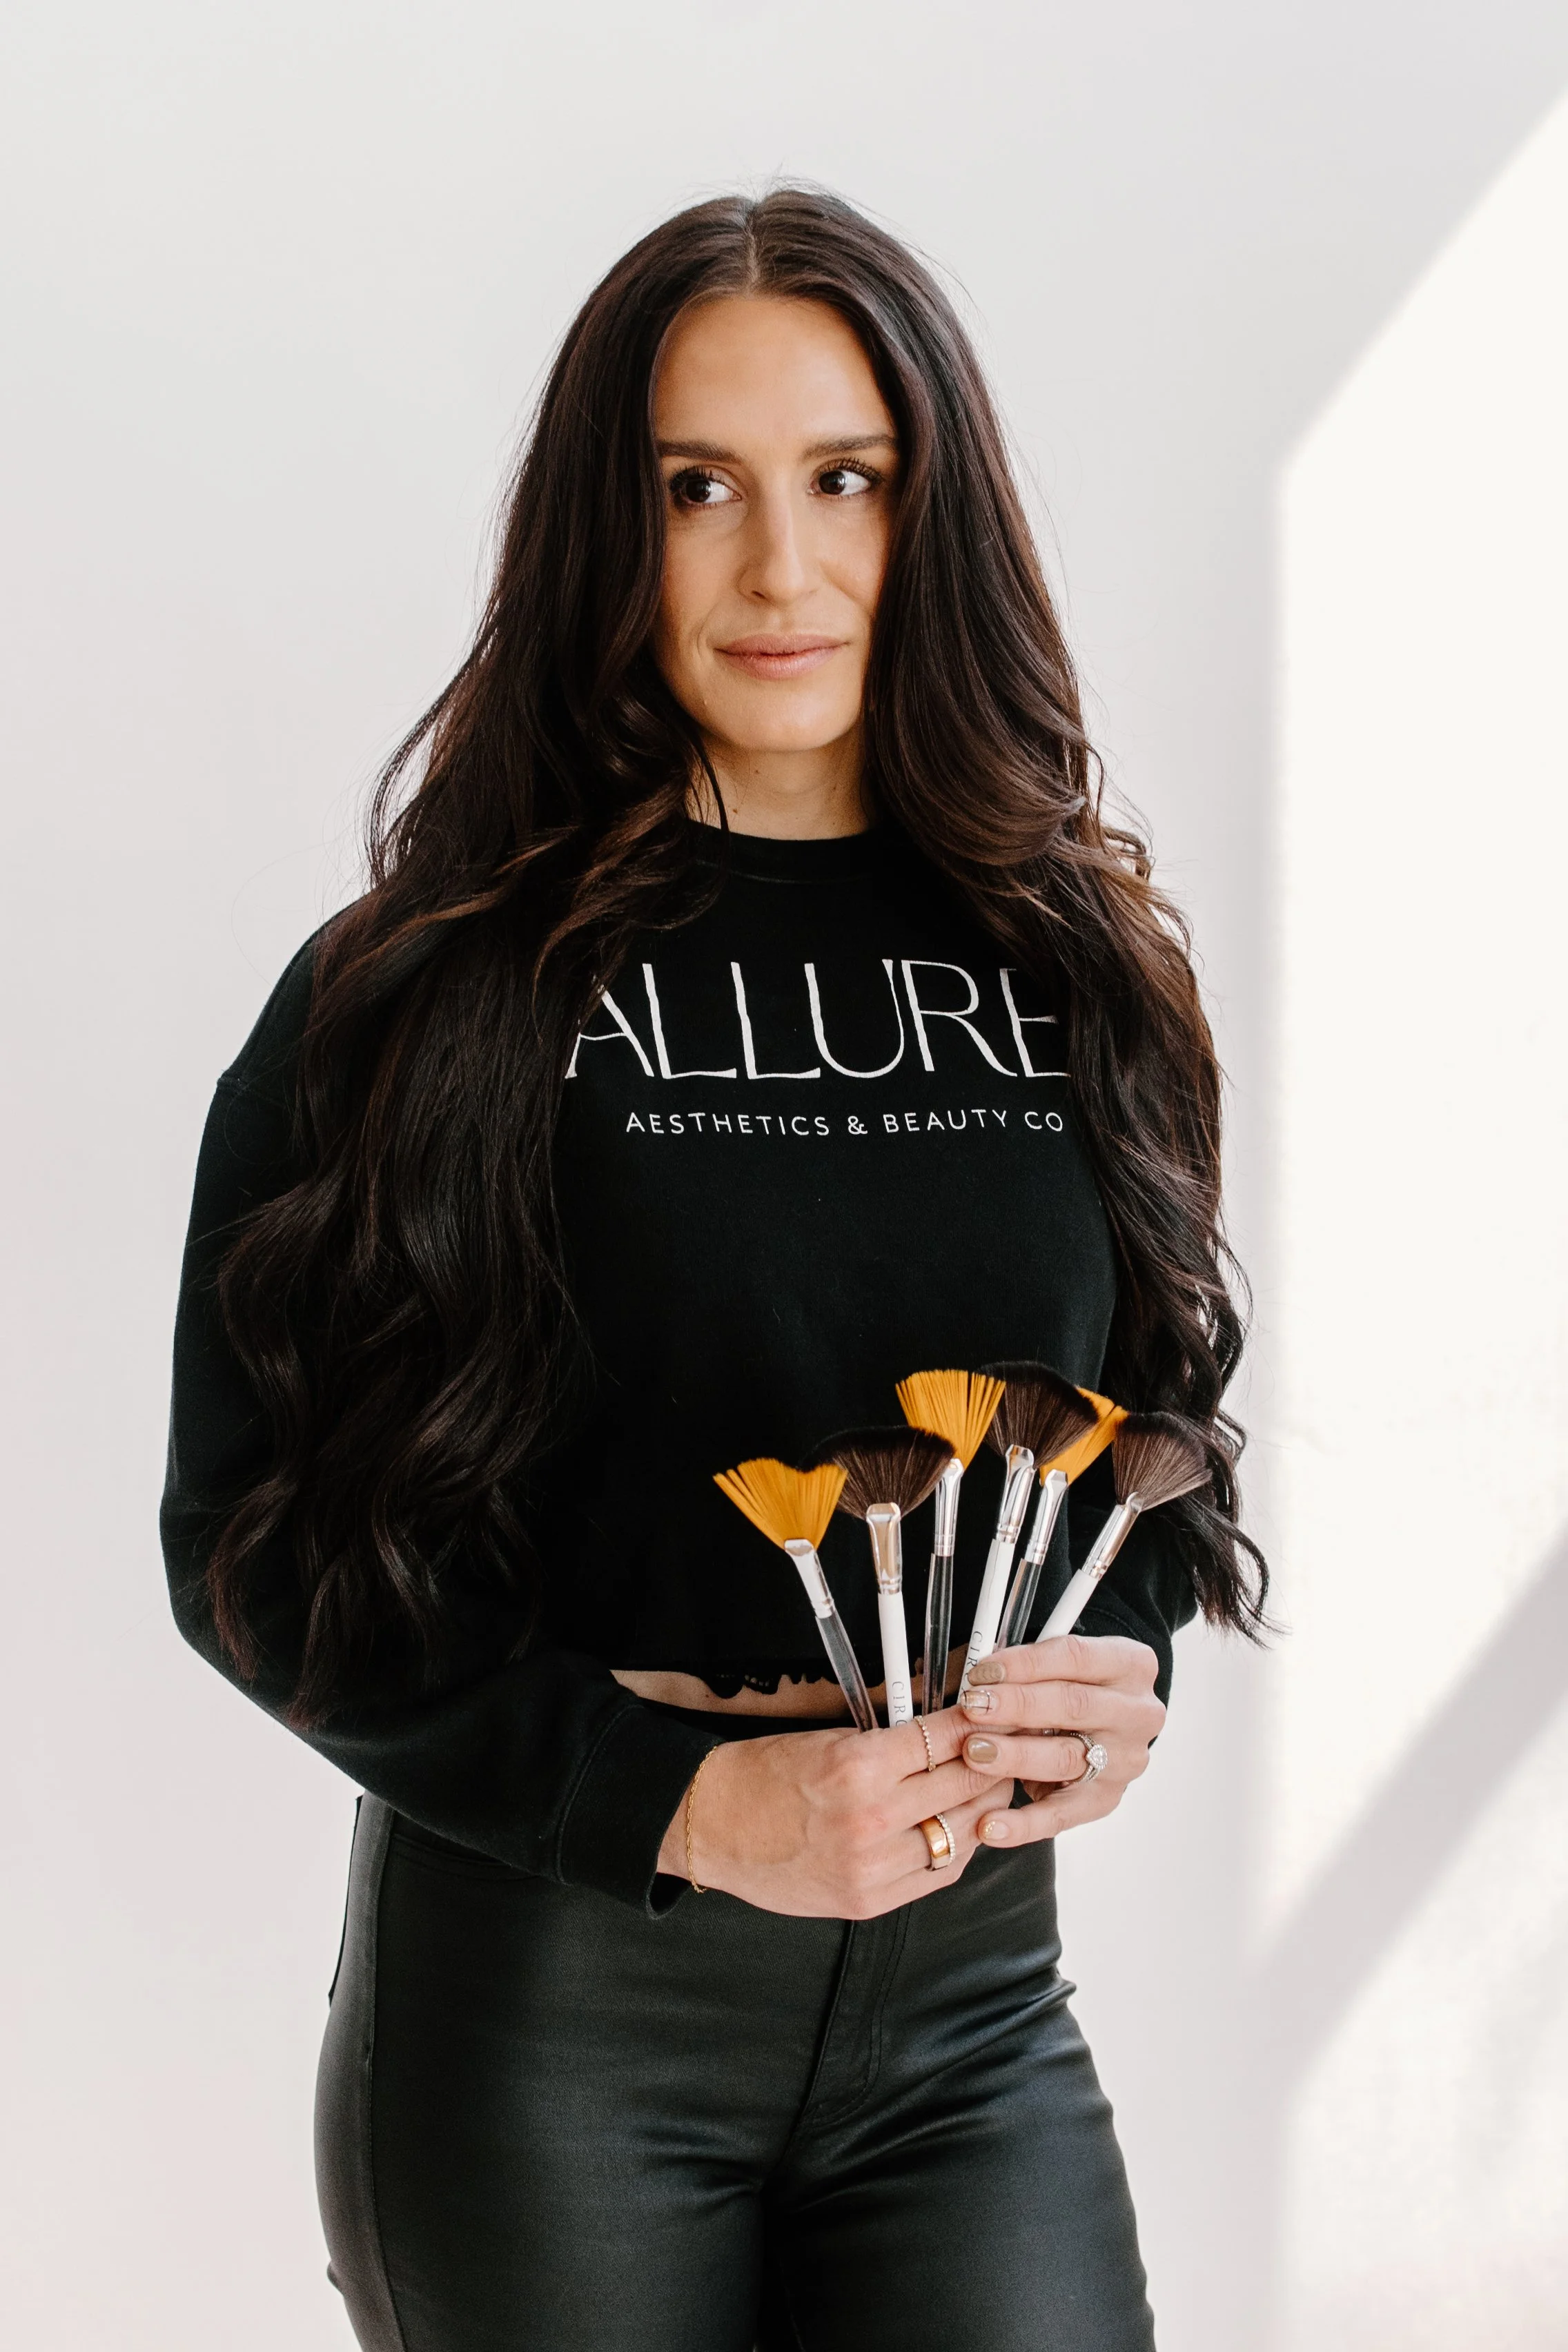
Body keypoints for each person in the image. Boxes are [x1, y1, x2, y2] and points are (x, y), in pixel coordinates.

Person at [162, 187, 1266, 2352]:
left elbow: (1150, 1435)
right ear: (611, 528)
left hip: (978, 2020)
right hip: (564, 2027)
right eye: (700, 489)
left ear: (936, 511)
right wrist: (674, 1802)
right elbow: (247, 1549)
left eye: (849, 477)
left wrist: (1110, 1675)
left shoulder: (1073, 964)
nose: (784, 565)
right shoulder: (421, 994)